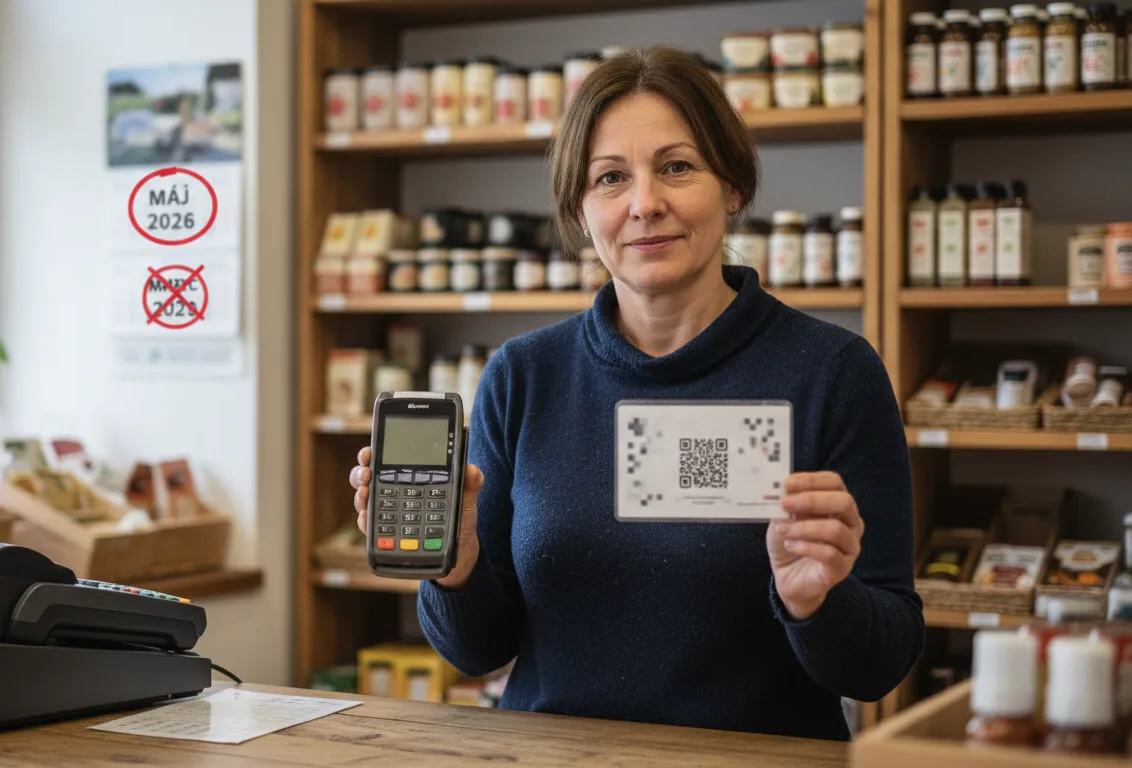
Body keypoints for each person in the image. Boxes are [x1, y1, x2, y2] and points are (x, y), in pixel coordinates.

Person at [348, 45, 924, 742]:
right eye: (610, 178)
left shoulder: (833, 371)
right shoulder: (524, 374)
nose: (646, 204)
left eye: (677, 167)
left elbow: (880, 665)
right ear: (581, 212)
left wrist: (819, 603)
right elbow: (477, 651)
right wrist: (456, 567)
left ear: (733, 187)